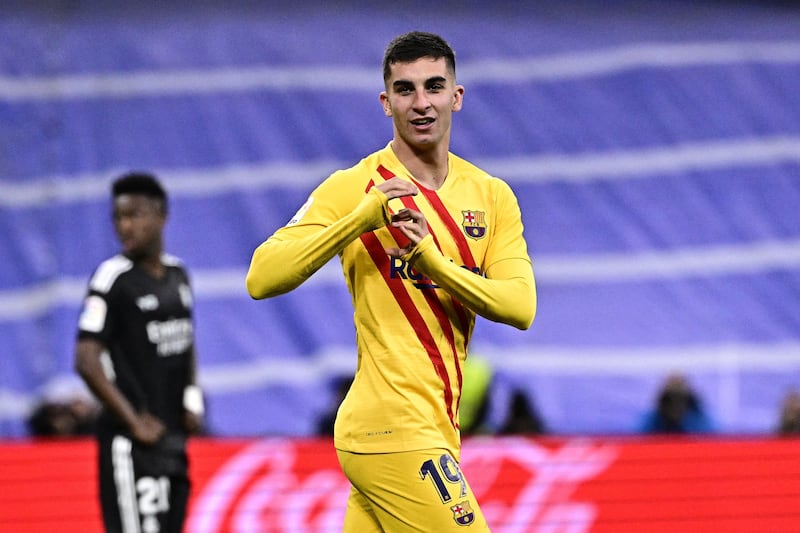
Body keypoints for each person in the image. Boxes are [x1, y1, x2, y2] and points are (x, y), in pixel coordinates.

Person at [246, 31, 536, 532]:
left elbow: (520, 306)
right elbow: (261, 277)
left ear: (456, 96)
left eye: (434, 87)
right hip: (391, 428)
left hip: (433, 427)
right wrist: (360, 220)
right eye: (405, 90)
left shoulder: (492, 196)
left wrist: (434, 264)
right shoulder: (354, 187)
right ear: (386, 103)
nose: (421, 103)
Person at [74, 172, 204, 533]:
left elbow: (186, 342)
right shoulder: (112, 278)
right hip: (132, 445)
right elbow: (86, 360)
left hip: (173, 440)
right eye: (118, 217)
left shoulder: (179, 276)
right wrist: (133, 421)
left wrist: (191, 399)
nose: (124, 226)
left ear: (161, 216)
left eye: (135, 215)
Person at [639, 373, 713, 434]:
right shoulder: (652, 420)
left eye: (681, 399)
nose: (675, 405)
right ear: (663, 401)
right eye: (670, 400)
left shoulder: (699, 420)